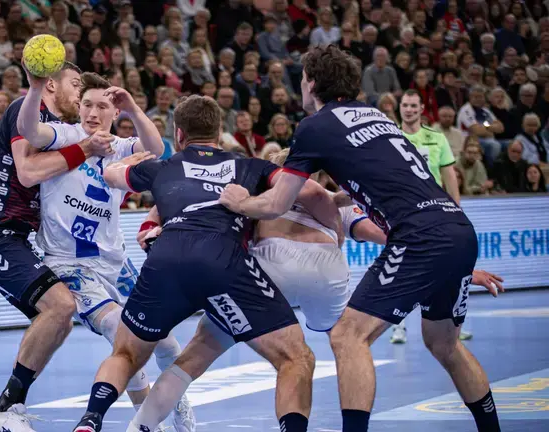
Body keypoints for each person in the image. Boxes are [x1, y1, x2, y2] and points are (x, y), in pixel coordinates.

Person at [218, 45, 502, 432]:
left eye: (302, 80)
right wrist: (337, 197)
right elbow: (383, 180)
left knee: (348, 336)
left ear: (311, 83)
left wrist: (240, 202)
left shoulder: (315, 126)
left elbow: (275, 204)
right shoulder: (378, 118)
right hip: (457, 229)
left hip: (420, 237)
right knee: (444, 344)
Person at [129, 151, 505, 432]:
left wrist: (157, 230)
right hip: (326, 270)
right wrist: (459, 268)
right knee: (349, 341)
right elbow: (389, 237)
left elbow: (198, 218)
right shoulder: (329, 202)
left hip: (270, 264)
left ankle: (141, 425)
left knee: (202, 349)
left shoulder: (253, 195)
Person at [71, 95, 332, 432]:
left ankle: (90, 420)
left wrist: (127, 165)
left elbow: (111, 175)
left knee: (125, 354)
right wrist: (336, 224)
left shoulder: (163, 168)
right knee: (296, 357)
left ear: (179, 134)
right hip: (223, 264)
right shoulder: (250, 167)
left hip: (166, 261)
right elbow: (310, 192)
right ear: (219, 131)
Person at [25, 72, 194, 431]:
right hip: (69, 264)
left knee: (164, 340)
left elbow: (158, 148)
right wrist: (35, 87)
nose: (93, 112)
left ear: (114, 113)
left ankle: (180, 403)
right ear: (79, 107)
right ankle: (150, 420)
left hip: (115, 263)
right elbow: (29, 131)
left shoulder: (120, 145)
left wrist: (132, 107)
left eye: (103, 106)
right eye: (87, 104)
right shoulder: (65, 136)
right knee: (121, 331)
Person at [0, 61, 115, 432]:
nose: (81, 94)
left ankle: (7, 411)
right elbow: (27, 172)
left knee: (58, 321)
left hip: (14, 236)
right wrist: (87, 148)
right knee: (59, 306)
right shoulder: (26, 110)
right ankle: (5, 411)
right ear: (52, 85)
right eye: (76, 84)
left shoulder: (62, 131)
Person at [394, 89, 468, 344]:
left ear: (421, 109)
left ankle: (452, 323)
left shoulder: (437, 139)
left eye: (413, 106)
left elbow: (449, 177)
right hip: (403, 212)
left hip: (436, 212)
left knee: (448, 267)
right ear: (399, 108)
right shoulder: (391, 137)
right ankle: (398, 326)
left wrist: (457, 211)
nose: (409, 110)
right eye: (405, 105)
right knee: (400, 268)